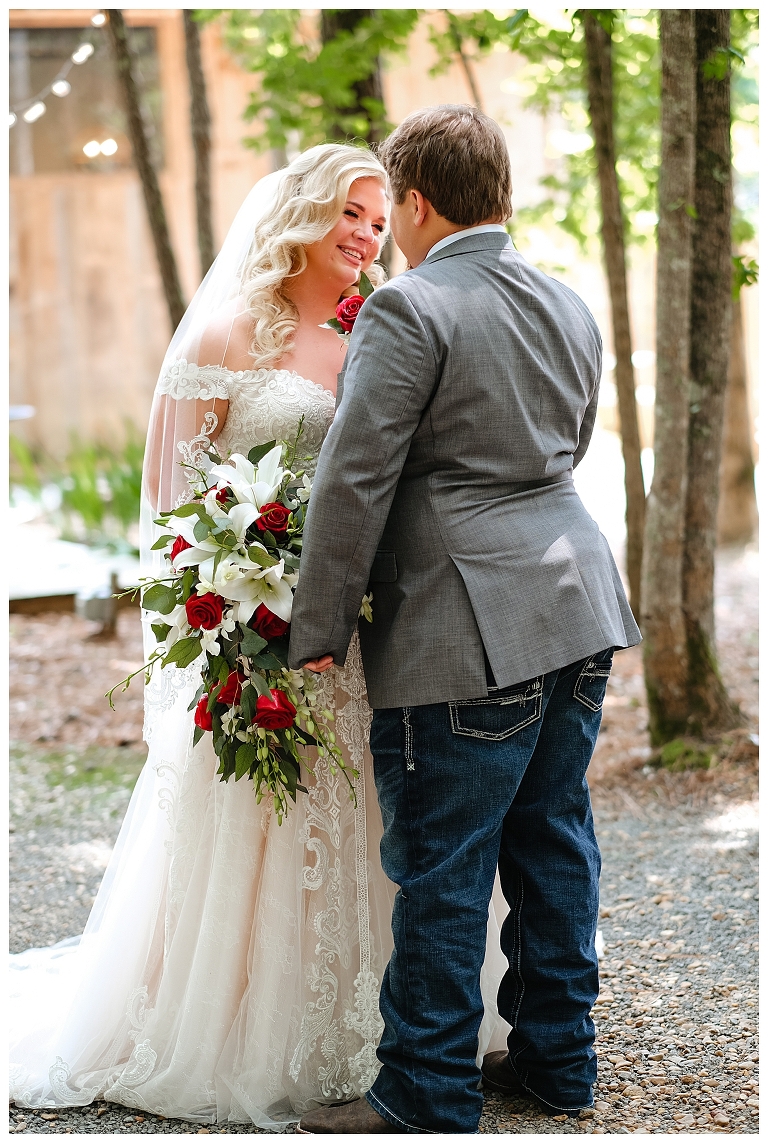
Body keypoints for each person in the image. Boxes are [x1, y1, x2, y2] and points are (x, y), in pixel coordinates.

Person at [9, 143, 508, 1129]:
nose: (367, 236)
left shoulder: (382, 327)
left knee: (378, 816)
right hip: (254, 627)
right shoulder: (230, 333)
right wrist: (232, 597)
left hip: (365, 633)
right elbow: (176, 506)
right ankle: (242, 1026)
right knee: (261, 818)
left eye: (379, 220)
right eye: (350, 215)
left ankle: (404, 1032)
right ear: (305, 215)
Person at [289, 106, 642, 1134]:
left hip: (464, 621)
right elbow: (569, 445)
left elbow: (356, 478)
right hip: (577, 602)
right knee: (555, 839)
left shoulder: (410, 305)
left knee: (444, 863)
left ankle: (426, 1089)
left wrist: (318, 627)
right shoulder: (568, 300)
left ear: (416, 202)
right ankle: (558, 1063)